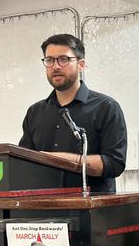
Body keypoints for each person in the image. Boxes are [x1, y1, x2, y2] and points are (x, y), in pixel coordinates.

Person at [19, 34, 127, 192]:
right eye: (49, 60)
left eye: (63, 59)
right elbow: (23, 164)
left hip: (92, 210)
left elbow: (115, 164)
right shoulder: (35, 112)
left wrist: (57, 160)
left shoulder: (106, 107)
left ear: (81, 65)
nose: (55, 66)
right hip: (43, 210)